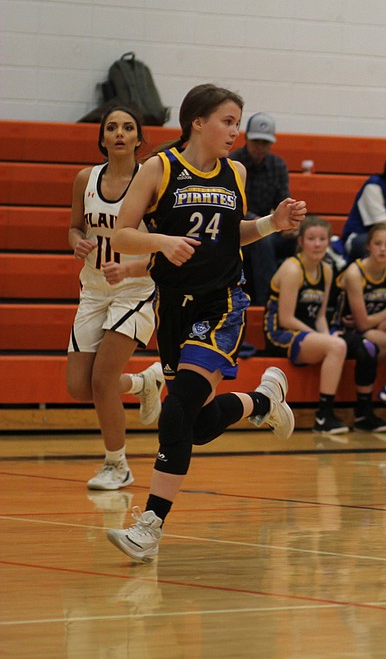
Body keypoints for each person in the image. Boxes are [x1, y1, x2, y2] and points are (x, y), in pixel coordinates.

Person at [106, 83, 305, 562]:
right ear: (198, 121)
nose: (235, 131)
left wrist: (272, 224)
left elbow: (231, 233)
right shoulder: (160, 168)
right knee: (192, 427)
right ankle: (262, 400)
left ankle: (149, 527)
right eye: (228, 121)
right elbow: (123, 233)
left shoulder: (234, 173)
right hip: (173, 307)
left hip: (222, 302)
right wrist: (160, 244)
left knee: (176, 414)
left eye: (238, 122)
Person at [66, 104, 164, 491]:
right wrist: (77, 243)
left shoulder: (152, 181)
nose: (119, 133)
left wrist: (131, 268)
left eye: (127, 128)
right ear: (102, 137)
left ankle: (117, 465)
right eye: (112, 127)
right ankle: (144, 383)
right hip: (93, 289)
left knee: (103, 381)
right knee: (79, 386)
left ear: (139, 139)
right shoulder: (84, 179)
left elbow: (165, 247)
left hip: (135, 289)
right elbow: (74, 227)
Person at [263, 216, 359, 435]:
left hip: (306, 334)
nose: (317, 244)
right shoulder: (292, 269)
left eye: (322, 239)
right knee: (336, 346)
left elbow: (321, 317)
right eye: (311, 239)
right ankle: (324, 416)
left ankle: (327, 414)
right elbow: (286, 319)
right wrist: (324, 340)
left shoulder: (326, 269)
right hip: (280, 334)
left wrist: (325, 338)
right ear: (301, 242)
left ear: (328, 242)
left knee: (338, 344)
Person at [334, 222, 386, 433]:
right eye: (378, 243)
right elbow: (362, 323)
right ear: (368, 246)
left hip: (378, 329)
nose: (383, 248)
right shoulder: (355, 273)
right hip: (351, 333)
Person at [229, 112, 293, 307]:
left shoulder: (278, 165)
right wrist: (262, 220)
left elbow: (283, 200)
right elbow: (232, 207)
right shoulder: (233, 163)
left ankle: (294, 305)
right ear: (247, 138)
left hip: (270, 224)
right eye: (256, 141)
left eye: (265, 142)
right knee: (262, 241)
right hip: (237, 228)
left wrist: (291, 222)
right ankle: (267, 302)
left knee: (304, 239)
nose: (260, 147)